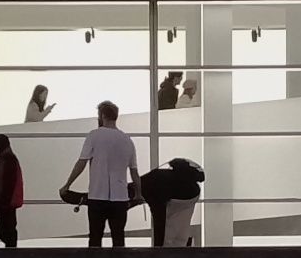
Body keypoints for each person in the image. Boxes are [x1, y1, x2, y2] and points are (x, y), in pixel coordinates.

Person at [60, 100, 140, 249]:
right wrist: (138, 194)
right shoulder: (127, 140)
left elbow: (81, 163)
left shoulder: (94, 136)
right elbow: (134, 171)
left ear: (102, 115)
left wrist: (67, 185)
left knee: (95, 239)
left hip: (97, 196)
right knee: (119, 240)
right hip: (120, 198)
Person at [139, 157, 205, 248]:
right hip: (192, 195)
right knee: (182, 232)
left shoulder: (151, 190)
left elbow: (159, 220)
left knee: (168, 234)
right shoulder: (152, 178)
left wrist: (158, 247)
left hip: (179, 198)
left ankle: (167, 256)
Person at [0, 132, 24, 248]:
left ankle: (11, 253)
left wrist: (0, 201)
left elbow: (7, 184)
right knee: (8, 231)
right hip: (8, 203)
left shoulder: (7, 161)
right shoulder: (8, 159)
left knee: (6, 231)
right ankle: (11, 252)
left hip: (5, 203)